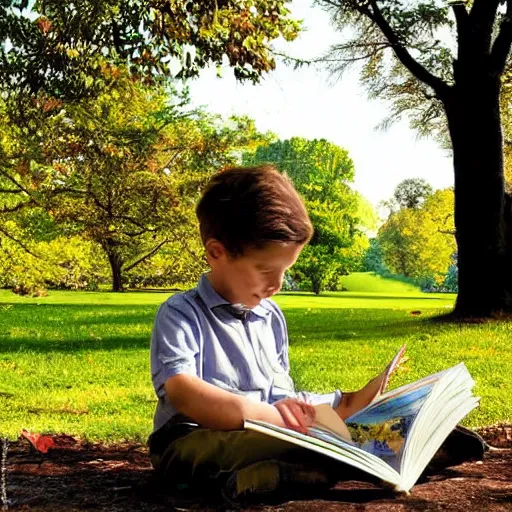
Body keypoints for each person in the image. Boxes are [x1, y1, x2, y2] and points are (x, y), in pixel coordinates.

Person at [148, 165, 484, 504]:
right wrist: (271, 417)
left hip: (271, 435)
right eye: (265, 270)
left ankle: (313, 469)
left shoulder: (270, 317)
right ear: (216, 253)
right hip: (191, 441)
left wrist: (352, 400)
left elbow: (285, 398)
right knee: (296, 442)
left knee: (315, 438)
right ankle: (316, 465)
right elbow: (185, 393)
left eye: (285, 271)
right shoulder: (181, 313)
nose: (277, 285)